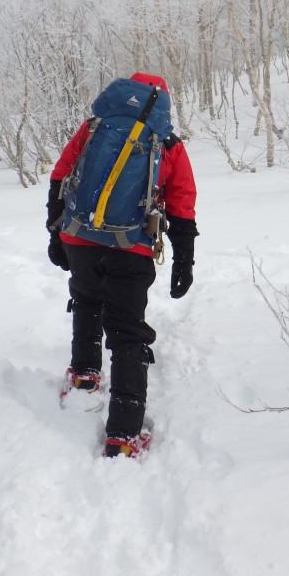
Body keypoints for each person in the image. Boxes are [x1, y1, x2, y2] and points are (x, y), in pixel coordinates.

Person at [45, 72, 198, 457]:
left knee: (86, 301)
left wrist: (55, 233)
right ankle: (123, 437)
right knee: (128, 332)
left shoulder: (93, 127)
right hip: (131, 246)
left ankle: (84, 377)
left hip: (79, 236)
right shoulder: (168, 143)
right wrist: (184, 260)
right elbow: (181, 205)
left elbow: (61, 176)